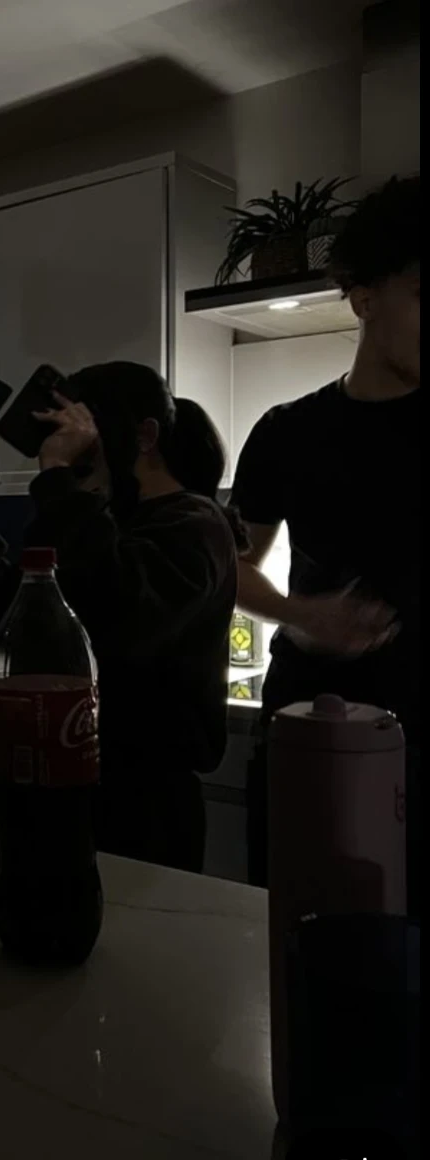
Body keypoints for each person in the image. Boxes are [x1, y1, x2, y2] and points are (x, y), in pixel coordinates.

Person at [0, 362, 243, 873]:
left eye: (85, 435)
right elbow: (6, 619)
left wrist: (59, 478)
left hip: (147, 803)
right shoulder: (94, 522)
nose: (76, 454)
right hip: (69, 773)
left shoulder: (196, 523)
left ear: (144, 436)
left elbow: (117, 616)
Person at [230, 175, 420, 909]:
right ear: (364, 298)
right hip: (313, 728)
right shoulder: (287, 432)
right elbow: (232, 568)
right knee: (299, 931)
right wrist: (303, 615)